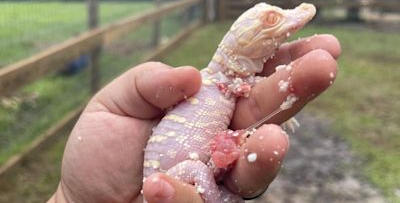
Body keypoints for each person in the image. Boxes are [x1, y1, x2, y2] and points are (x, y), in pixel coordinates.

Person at [48, 34, 341, 203]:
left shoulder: (219, 82)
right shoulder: (209, 81)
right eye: (270, 23)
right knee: (204, 169)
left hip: (171, 170)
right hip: (170, 172)